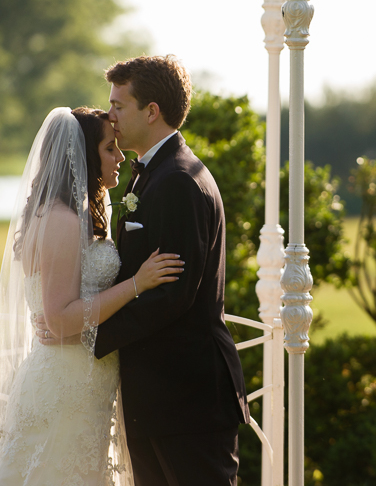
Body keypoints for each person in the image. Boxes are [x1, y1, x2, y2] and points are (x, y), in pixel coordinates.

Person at [0, 106, 183, 486]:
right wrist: (137, 284)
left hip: (82, 379)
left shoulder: (67, 213)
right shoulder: (61, 220)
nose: (120, 156)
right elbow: (59, 318)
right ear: (85, 157)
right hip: (66, 386)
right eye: (110, 149)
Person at [91, 55, 250, 485]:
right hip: (158, 399)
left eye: (119, 106)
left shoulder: (179, 180)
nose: (111, 116)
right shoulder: (150, 174)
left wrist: (92, 335)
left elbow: (173, 295)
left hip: (188, 398)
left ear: (152, 111)